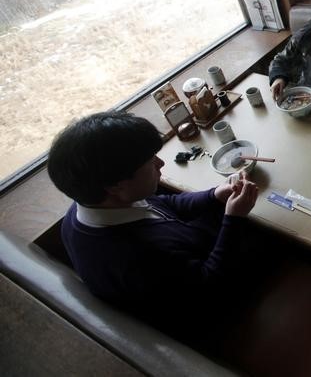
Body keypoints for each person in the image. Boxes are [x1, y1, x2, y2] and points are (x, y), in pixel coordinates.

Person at [48, 111, 259, 346]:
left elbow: (163, 205)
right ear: (116, 186)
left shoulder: (94, 204)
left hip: (188, 264)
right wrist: (234, 219)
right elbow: (210, 286)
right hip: (209, 315)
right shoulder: (136, 257)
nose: (160, 163)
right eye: (150, 162)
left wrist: (213, 195)